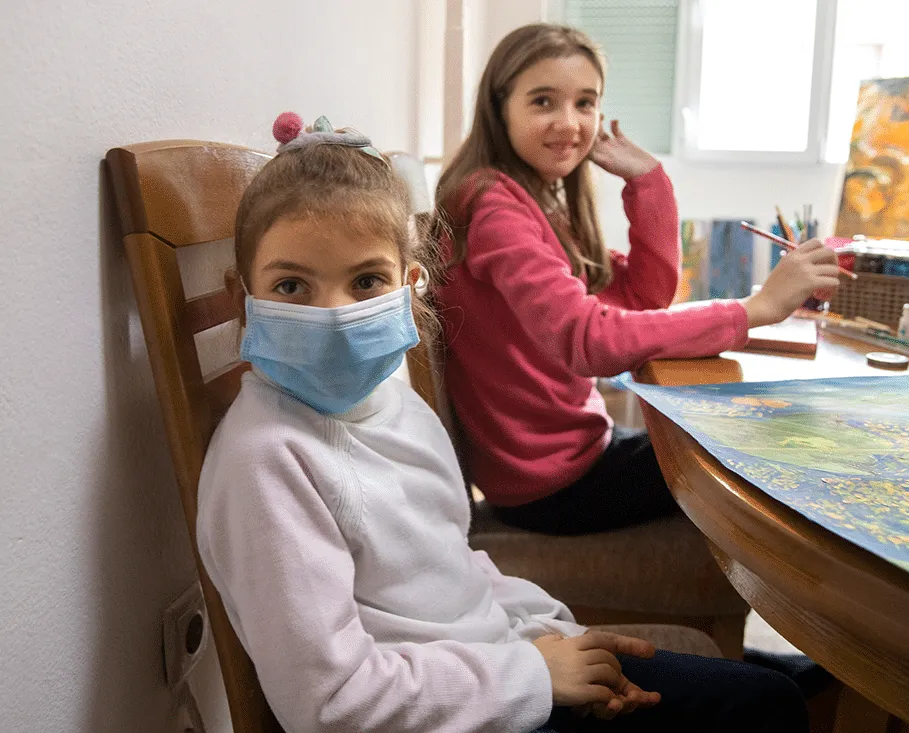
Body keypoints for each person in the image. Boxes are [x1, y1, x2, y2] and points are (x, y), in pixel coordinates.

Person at [195, 113, 809, 733]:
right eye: (292, 285)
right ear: (241, 293)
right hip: (452, 706)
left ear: (411, 285)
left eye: (366, 282)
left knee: (765, 697)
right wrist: (533, 676)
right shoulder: (266, 460)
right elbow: (330, 703)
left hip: (496, 670)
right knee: (763, 709)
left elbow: (452, 567)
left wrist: (553, 635)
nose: (333, 315)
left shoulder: (395, 402)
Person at [434, 23, 840, 536]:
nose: (570, 122)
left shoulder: (532, 198)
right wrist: (753, 310)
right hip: (551, 484)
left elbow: (641, 298)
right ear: (500, 109)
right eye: (543, 102)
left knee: (749, 430)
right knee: (767, 438)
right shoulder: (493, 206)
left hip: (570, 455)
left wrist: (649, 183)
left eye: (586, 103)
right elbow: (588, 341)